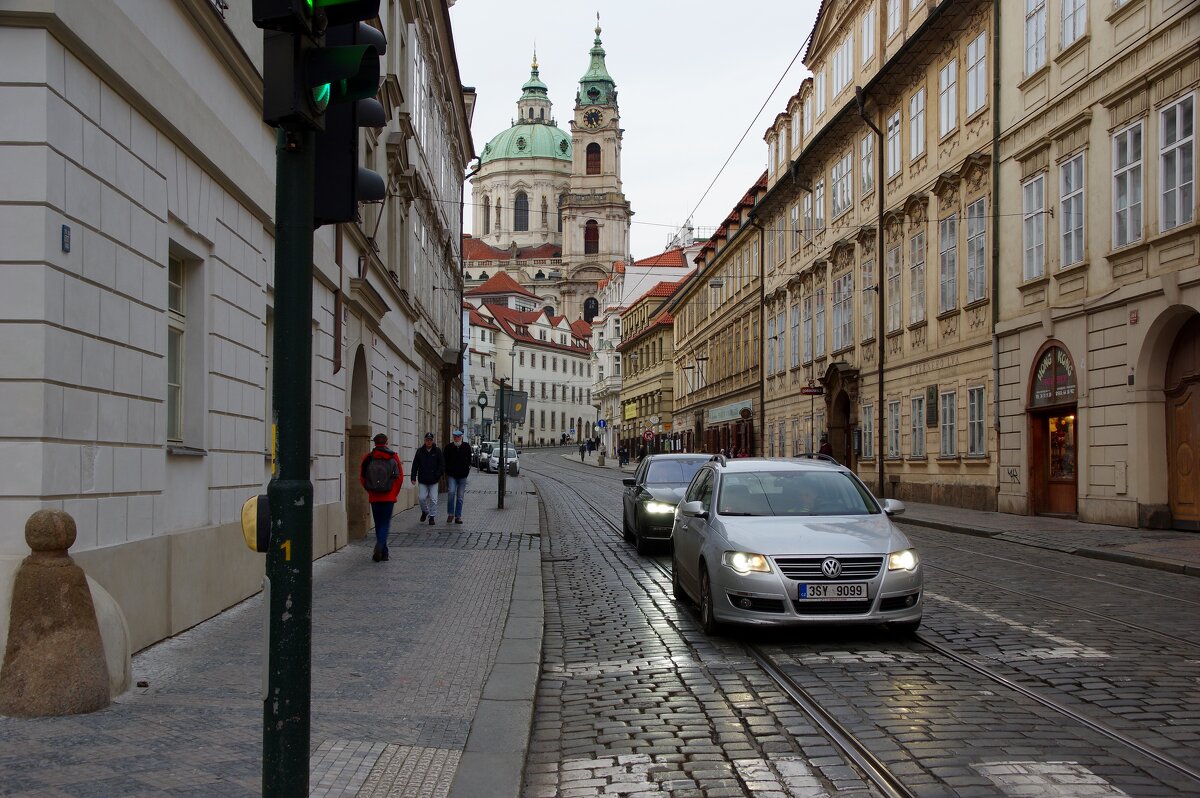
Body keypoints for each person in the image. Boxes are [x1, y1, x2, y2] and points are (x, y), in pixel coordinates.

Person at [360, 433, 403, 562]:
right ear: (386, 442)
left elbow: (362, 477)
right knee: (385, 523)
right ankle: (380, 545)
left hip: (374, 497)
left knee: (378, 523)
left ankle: (384, 552)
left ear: (374, 443)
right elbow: (399, 478)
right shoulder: (393, 456)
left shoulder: (368, 458)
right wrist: (393, 493)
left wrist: (370, 490)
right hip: (389, 496)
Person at [411, 432, 444, 526]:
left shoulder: (437, 451)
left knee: (434, 499)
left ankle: (432, 517)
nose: (428, 442)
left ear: (432, 441)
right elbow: (415, 465)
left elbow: (442, 465)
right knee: (421, 498)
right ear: (424, 441)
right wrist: (413, 477)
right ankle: (425, 511)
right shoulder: (420, 451)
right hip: (423, 479)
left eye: (430, 440)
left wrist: (438, 474)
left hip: (434, 480)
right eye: (427, 440)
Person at [444, 429, 471, 524]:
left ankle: (458, 516)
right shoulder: (448, 447)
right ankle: (450, 514)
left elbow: (469, 460)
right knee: (451, 493)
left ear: (461, 437)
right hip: (452, 475)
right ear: (453, 438)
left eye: (458, 437)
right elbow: (445, 461)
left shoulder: (466, 447)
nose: (456, 438)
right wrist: (447, 472)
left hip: (463, 476)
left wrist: (467, 471)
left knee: (460, 497)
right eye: (455, 437)